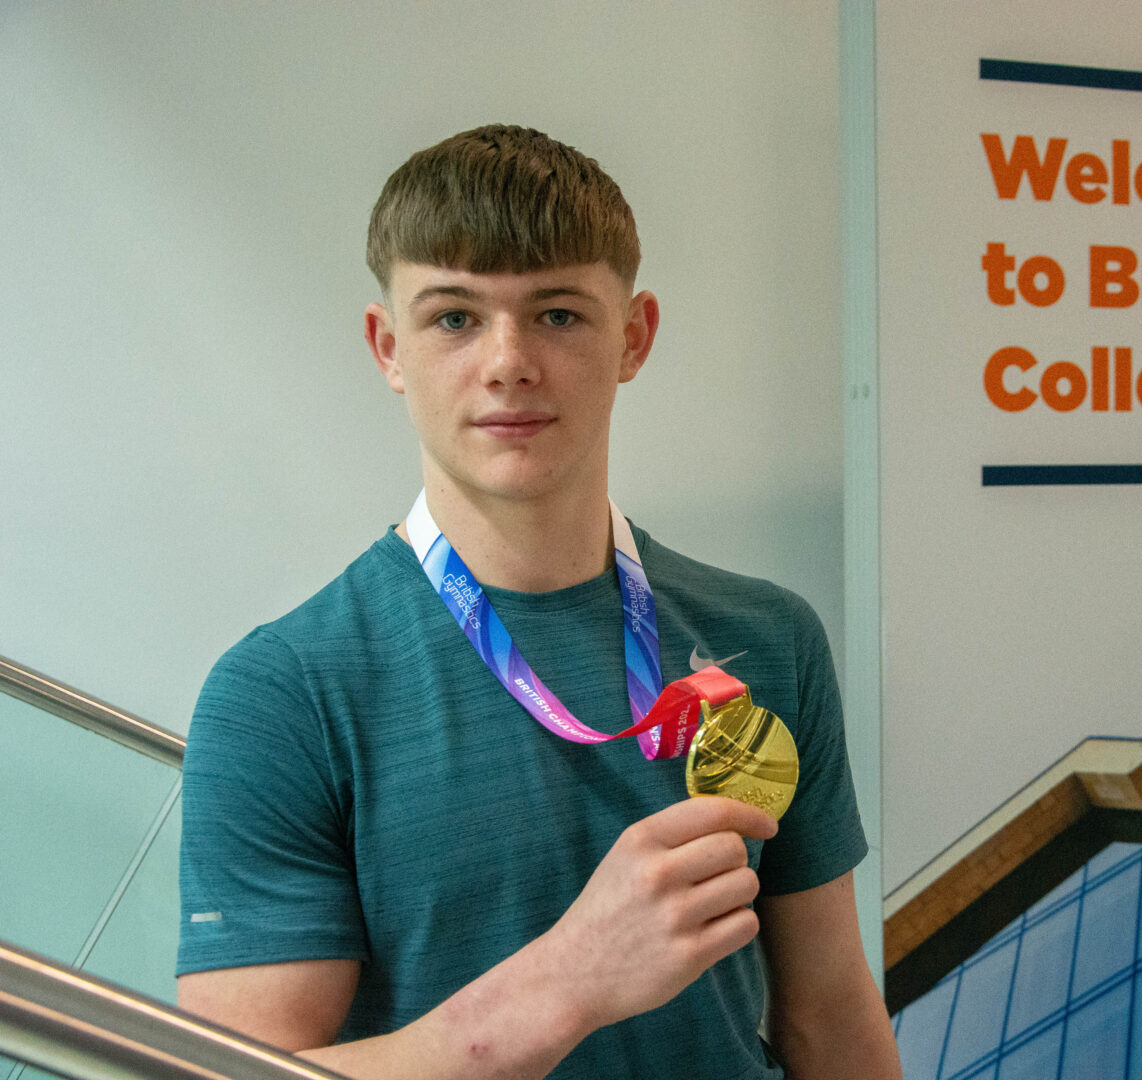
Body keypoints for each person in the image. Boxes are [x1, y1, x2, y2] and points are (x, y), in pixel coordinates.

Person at [175, 124, 901, 1079]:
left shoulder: (767, 638)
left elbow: (829, 1015)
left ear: (633, 336)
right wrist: (564, 985)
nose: (508, 359)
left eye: (558, 314)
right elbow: (234, 1075)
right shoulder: (284, 695)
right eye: (454, 318)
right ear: (387, 346)